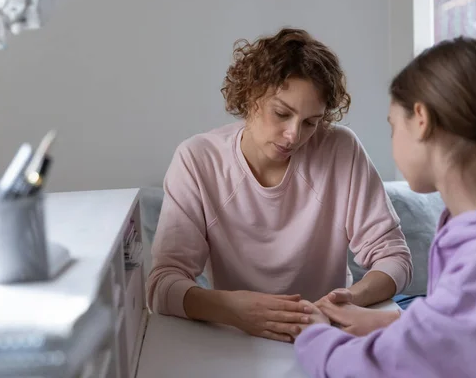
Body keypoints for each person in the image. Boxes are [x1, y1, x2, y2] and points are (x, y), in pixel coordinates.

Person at [294, 36, 476, 377]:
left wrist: (314, 334)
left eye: (392, 126)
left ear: (421, 119)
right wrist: (390, 325)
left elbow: (371, 370)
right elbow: (473, 339)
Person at [146, 27, 413, 343]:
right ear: (250, 95)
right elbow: (163, 285)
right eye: (281, 113)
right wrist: (232, 309)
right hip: (237, 340)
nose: (294, 135)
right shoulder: (197, 160)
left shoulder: (341, 149)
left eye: (311, 123)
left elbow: (394, 257)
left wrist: (345, 301)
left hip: (327, 334)